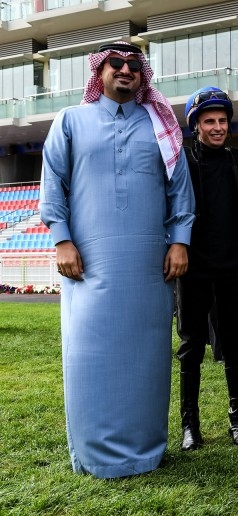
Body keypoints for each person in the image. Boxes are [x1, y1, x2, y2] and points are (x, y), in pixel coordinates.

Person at [40, 41, 194, 478]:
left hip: (148, 265)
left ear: (142, 74)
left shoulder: (160, 124)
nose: (125, 70)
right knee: (88, 355)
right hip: (88, 263)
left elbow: (180, 191)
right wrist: (61, 240)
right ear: (99, 72)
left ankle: (146, 450)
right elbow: (53, 182)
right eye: (115, 64)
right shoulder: (71, 120)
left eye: (133, 65)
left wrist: (179, 241)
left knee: (147, 358)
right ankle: (93, 453)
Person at [175, 86, 238, 451]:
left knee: (233, 343)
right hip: (192, 267)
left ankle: (237, 423)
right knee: (192, 345)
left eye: (222, 120)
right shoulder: (182, 163)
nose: (217, 127)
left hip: (232, 267)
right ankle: (189, 426)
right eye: (209, 121)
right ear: (196, 125)